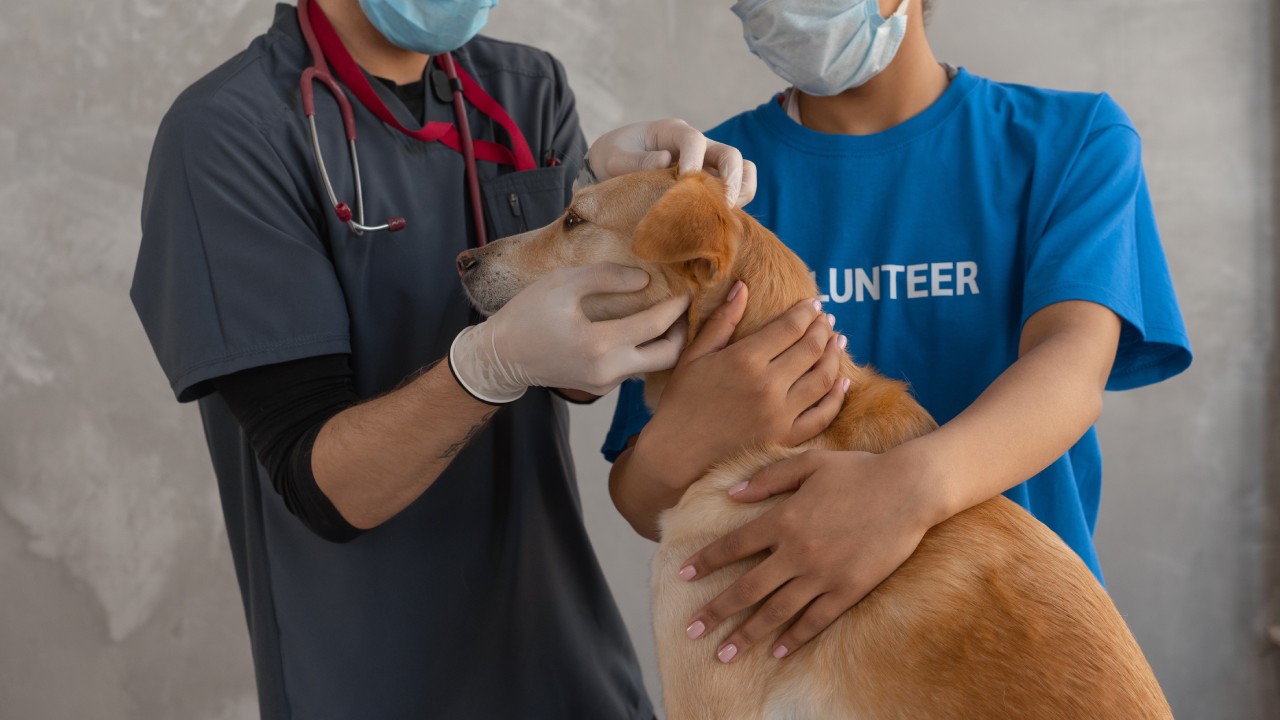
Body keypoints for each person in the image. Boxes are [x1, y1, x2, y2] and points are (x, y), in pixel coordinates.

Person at [129, 0, 842, 717]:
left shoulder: (524, 89)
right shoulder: (229, 133)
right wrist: (488, 366)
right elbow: (329, 487)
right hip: (371, 675)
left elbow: (580, 380)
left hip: (565, 663)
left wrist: (616, 206)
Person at [604, 0, 1192, 668]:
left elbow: (1072, 366)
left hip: (1018, 651)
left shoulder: (1069, 141)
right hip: (801, 673)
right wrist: (682, 437)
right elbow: (639, 495)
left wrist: (905, 491)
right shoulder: (709, 193)